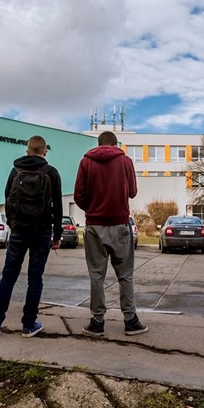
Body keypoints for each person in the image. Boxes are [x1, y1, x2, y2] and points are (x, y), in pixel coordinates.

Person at [0, 136, 63, 338]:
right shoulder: (51, 173)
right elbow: (58, 207)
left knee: (8, 276)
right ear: (45, 152)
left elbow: (7, 197)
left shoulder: (15, 171)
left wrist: (13, 224)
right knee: (35, 279)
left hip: (18, 231)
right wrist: (57, 234)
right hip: (41, 231)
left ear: (27, 151)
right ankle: (29, 325)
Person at [74, 131, 147, 337]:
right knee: (125, 275)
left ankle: (97, 322)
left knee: (97, 275)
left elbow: (79, 194)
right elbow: (132, 191)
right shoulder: (125, 161)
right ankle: (130, 321)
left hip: (94, 226)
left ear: (99, 144)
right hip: (120, 225)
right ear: (115, 144)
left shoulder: (86, 161)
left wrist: (92, 208)